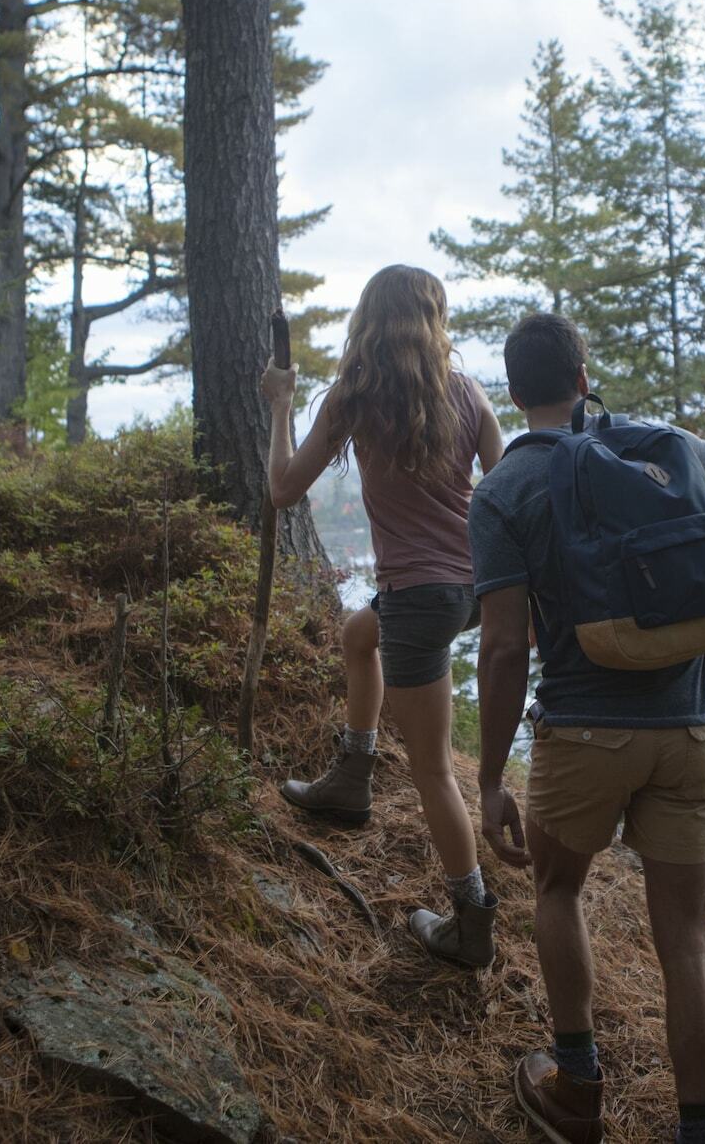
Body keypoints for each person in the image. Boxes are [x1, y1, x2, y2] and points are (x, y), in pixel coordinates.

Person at [469, 312, 705, 1144]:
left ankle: (576, 1087)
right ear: (582, 377)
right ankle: (698, 1132)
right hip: (691, 729)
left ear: (513, 390)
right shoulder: (662, 448)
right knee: (686, 936)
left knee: (559, 886)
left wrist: (490, 776)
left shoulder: (501, 490)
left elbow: (502, 649)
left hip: (582, 733)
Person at [262, 264, 507, 967]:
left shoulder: (355, 396)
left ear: (368, 322)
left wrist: (280, 405)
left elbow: (282, 487)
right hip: (469, 590)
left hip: (419, 599)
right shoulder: (467, 392)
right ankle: (352, 773)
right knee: (355, 633)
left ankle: (471, 921)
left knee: (433, 769)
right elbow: (506, 487)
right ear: (435, 322)